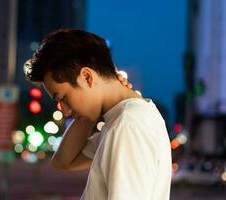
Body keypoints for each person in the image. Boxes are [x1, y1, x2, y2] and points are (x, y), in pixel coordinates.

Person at [24, 29, 172, 199]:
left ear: (87, 77)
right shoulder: (125, 119)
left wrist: (91, 101)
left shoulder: (127, 125)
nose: (63, 110)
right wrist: (89, 110)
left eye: (63, 97)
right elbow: (63, 161)